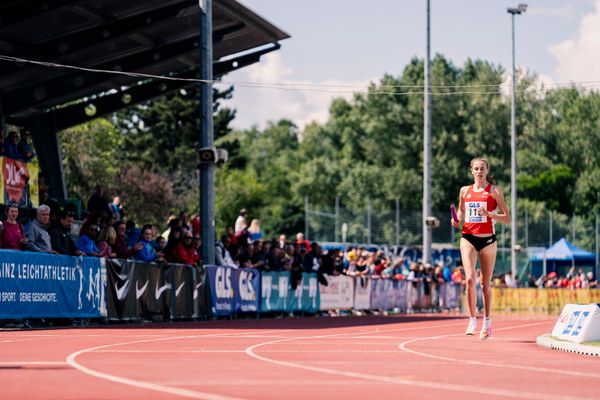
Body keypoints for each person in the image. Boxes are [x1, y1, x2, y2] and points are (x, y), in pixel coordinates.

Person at [451, 157, 510, 339]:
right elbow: (461, 211)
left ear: (487, 170)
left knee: (485, 284)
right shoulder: (464, 191)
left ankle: (487, 321)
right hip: (467, 237)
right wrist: (456, 219)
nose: (479, 172)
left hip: (487, 241)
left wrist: (490, 214)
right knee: (469, 279)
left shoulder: (494, 191)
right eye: (476, 169)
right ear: (471, 171)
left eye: (482, 169)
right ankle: (472, 320)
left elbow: (507, 218)